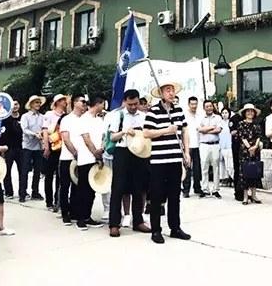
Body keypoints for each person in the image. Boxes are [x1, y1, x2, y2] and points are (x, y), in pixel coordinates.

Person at [143, 80, 191, 244]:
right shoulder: (153, 111)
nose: (171, 93)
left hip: (175, 158)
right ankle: (156, 230)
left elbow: (184, 131)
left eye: (172, 90)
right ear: (161, 94)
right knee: (157, 196)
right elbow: (147, 133)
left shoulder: (178, 110)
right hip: (158, 160)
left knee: (174, 196)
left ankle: (175, 228)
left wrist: (187, 152)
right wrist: (166, 130)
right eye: (168, 90)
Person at [107, 89, 151, 237]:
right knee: (118, 188)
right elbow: (112, 137)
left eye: (136, 104)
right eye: (130, 104)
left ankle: (138, 221)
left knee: (139, 188)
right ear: (125, 102)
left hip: (139, 153)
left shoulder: (144, 116)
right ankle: (114, 224)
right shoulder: (117, 116)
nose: (133, 107)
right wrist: (124, 131)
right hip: (122, 152)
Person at [73, 95, 105, 231]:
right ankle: (80, 218)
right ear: (98, 104)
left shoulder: (99, 120)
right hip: (86, 159)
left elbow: (104, 136)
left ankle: (87, 216)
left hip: (97, 158)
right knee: (83, 190)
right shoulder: (83, 119)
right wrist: (95, 153)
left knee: (92, 190)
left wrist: (102, 148)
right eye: (103, 104)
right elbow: (87, 139)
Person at [58, 95, 86, 226]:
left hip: (82, 158)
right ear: (75, 103)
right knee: (65, 186)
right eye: (82, 101)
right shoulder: (67, 119)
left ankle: (75, 211)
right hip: (68, 157)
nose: (85, 104)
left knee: (77, 186)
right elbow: (66, 139)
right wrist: (75, 153)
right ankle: (65, 213)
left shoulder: (85, 119)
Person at [42, 94, 67, 212]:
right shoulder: (49, 115)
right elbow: (45, 131)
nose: (64, 102)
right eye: (62, 100)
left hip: (62, 148)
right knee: (49, 174)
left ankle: (58, 200)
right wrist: (46, 146)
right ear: (57, 102)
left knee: (60, 175)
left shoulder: (65, 116)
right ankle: (49, 201)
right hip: (52, 147)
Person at [19, 95, 46, 203]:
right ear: (31, 105)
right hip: (27, 146)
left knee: (37, 170)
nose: (38, 104)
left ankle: (35, 191)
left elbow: (45, 129)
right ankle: (22, 193)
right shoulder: (25, 116)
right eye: (36, 102)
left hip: (38, 146)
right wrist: (34, 134)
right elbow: (24, 129)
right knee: (24, 170)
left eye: (39, 102)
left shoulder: (42, 117)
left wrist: (41, 134)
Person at [237, 104, 262, 205]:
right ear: (244, 113)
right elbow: (242, 137)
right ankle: (245, 197)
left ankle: (254, 195)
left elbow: (259, 136)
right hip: (244, 150)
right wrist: (249, 148)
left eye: (252, 111)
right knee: (245, 173)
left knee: (255, 172)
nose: (250, 113)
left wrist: (255, 147)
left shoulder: (257, 124)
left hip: (255, 150)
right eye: (248, 111)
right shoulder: (241, 124)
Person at [197, 100, 222, 198]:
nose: (209, 108)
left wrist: (206, 129)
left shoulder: (218, 117)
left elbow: (218, 130)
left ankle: (216, 190)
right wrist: (212, 128)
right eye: (207, 106)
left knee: (216, 167)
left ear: (213, 107)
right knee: (204, 167)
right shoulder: (201, 118)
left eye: (210, 106)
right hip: (204, 145)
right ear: (204, 108)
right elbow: (199, 129)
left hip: (215, 144)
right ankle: (205, 189)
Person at [0, 100, 22, 199]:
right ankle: (9, 192)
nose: (15, 106)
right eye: (12, 105)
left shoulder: (23, 118)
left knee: (22, 171)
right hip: (9, 148)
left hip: (21, 147)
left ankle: (23, 191)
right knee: (7, 171)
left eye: (16, 104)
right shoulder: (5, 119)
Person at [181, 96, 202, 198]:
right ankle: (186, 189)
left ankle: (197, 187)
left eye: (195, 104)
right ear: (189, 104)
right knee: (187, 168)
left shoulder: (200, 115)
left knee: (198, 168)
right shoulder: (184, 115)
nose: (194, 106)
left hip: (199, 145)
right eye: (192, 104)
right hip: (188, 146)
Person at [228, 107, 243, 201]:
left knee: (248, 169)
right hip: (237, 146)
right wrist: (243, 130)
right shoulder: (234, 118)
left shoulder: (251, 119)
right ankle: (238, 192)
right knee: (237, 169)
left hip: (249, 147)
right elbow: (232, 132)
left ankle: (248, 192)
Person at [218, 107, 232, 187]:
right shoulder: (220, 123)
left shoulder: (231, 122)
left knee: (229, 161)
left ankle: (230, 177)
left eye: (226, 113)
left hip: (229, 143)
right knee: (221, 161)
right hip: (221, 143)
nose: (224, 114)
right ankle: (223, 178)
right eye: (223, 113)